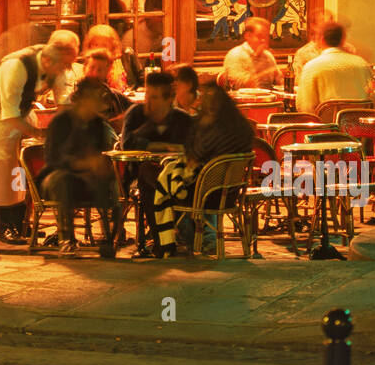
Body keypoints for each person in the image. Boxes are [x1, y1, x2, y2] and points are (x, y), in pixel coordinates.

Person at [0, 29, 80, 244]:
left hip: (22, 110)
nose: (67, 69)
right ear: (52, 55)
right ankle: (5, 226)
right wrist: (39, 133)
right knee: (4, 167)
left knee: (21, 167)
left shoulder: (58, 66)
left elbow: (63, 103)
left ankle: (21, 222)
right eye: (65, 63)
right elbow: (9, 114)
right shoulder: (16, 65)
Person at [153, 82, 254, 257]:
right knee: (167, 177)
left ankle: (170, 240)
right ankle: (196, 239)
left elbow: (194, 155)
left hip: (207, 193)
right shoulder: (242, 127)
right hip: (230, 193)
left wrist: (199, 125)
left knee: (154, 178)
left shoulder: (215, 129)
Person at [36, 78, 120, 256]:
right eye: (95, 97)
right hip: (57, 176)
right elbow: (52, 159)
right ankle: (67, 239)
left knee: (109, 181)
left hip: (87, 177)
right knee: (64, 180)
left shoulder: (97, 123)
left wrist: (99, 165)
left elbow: (100, 153)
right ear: (82, 99)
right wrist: (80, 164)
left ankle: (108, 238)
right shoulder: (61, 121)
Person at [120, 71, 194, 255]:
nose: (148, 102)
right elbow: (127, 144)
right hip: (139, 177)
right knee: (148, 173)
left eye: (153, 98)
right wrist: (166, 147)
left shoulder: (182, 119)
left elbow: (194, 149)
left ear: (169, 98)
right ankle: (162, 240)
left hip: (178, 177)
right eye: (146, 96)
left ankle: (170, 240)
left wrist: (156, 147)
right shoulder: (136, 114)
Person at [296, 23, 373, 114]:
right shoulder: (361, 64)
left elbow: (305, 106)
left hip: (326, 126)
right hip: (359, 125)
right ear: (342, 40)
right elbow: (373, 96)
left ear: (322, 40)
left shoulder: (312, 67)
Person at [292, 9, 356, 85]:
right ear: (313, 26)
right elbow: (299, 82)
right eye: (324, 23)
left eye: (331, 22)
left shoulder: (348, 49)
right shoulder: (303, 53)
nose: (330, 26)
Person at [73, 24, 143, 91]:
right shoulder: (86, 63)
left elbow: (142, 78)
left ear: (113, 45)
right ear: (89, 45)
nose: (100, 49)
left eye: (104, 45)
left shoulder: (127, 55)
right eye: (96, 44)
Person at [221, 16, 280, 89]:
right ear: (248, 36)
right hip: (241, 99)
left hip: (268, 98)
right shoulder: (235, 55)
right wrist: (259, 62)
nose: (264, 40)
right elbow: (239, 85)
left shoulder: (268, 56)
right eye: (260, 36)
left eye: (266, 36)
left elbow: (279, 82)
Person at [79, 50, 133, 126]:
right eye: (92, 68)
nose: (95, 74)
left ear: (107, 72)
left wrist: (126, 118)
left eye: (100, 70)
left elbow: (136, 110)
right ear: (84, 69)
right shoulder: (75, 99)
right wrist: (114, 123)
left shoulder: (114, 95)